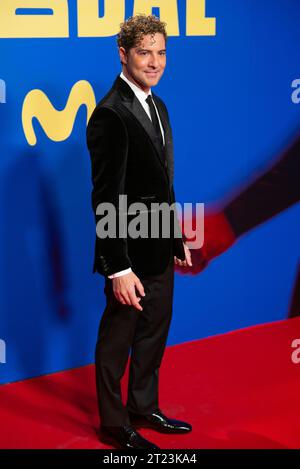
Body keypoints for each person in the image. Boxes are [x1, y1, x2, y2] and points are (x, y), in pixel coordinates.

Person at [86, 14, 192, 449]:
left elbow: (161, 184)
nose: (154, 62)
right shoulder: (111, 114)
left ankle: (143, 406)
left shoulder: (158, 105)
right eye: (144, 52)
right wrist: (118, 268)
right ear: (123, 54)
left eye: (161, 52)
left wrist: (174, 239)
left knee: (154, 331)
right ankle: (114, 423)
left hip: (157, 248)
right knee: (117, 342)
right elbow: (105, 197)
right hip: (127, 256)